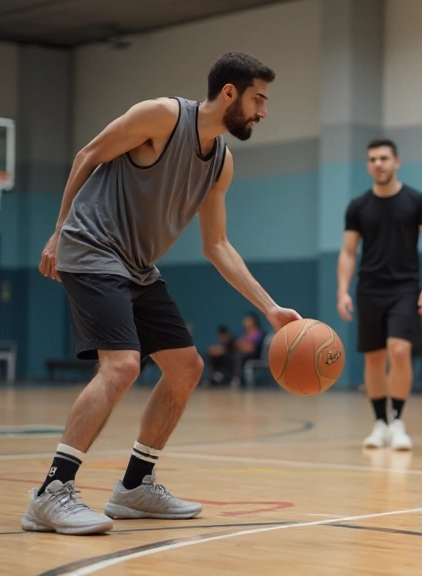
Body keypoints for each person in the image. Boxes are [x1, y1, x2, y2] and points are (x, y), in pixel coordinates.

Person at [29, 52, 301, 535]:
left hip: (136, 266)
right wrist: (59, 230)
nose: (263, 112)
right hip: (91, 247)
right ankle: (51, 491)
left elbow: (216, 245)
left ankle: (134, 487)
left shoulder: (221, 162)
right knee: (123, 364)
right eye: (258, 99)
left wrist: (270, 308)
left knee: (186, 367)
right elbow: (87, 155)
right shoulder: (161, 116)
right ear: (230, 93)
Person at [337, 138, 422, 451]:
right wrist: (342, 289)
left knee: (399, 350)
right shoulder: (358, 207)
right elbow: (348, 251)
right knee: (374, 357)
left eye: (384, 158)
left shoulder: (417, 201)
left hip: (404, 287)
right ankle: (380, 422)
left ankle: (397, 420)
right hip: (369, 287)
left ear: (397, 161)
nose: (378, 164)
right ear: (368, 165)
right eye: (372, 159)